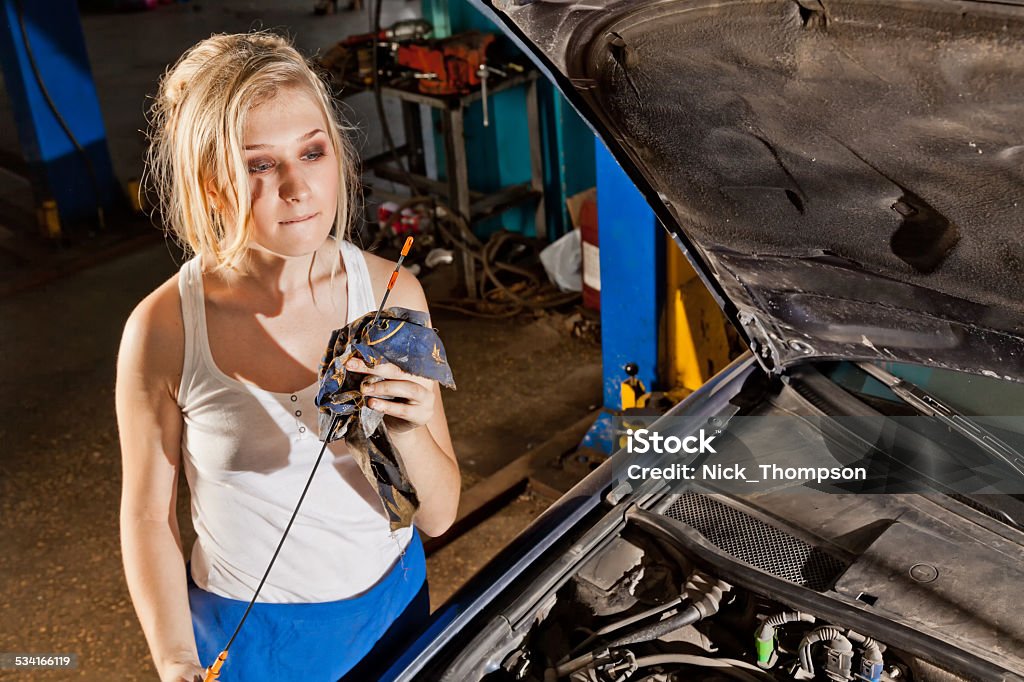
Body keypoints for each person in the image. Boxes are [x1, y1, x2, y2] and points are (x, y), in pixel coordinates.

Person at [115, 31, 459, 682]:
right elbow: (146, 515)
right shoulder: (164, 329)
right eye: (259, 163)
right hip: (253, 637)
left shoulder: (390, 295)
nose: (299, 188)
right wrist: (175, 660)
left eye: (312, 151)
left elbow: (437, 515)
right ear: (210, 184)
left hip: (394, 608)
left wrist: (408, 431)